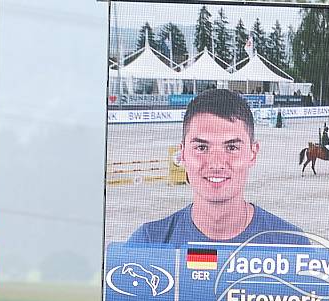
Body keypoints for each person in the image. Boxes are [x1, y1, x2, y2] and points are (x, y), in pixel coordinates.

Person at [126, 88, 302, 246]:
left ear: (252, 153)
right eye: (202, 148)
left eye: (231, 147)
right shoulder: (147, 244)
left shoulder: (293, 246)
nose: (216, 163)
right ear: (183, 154)